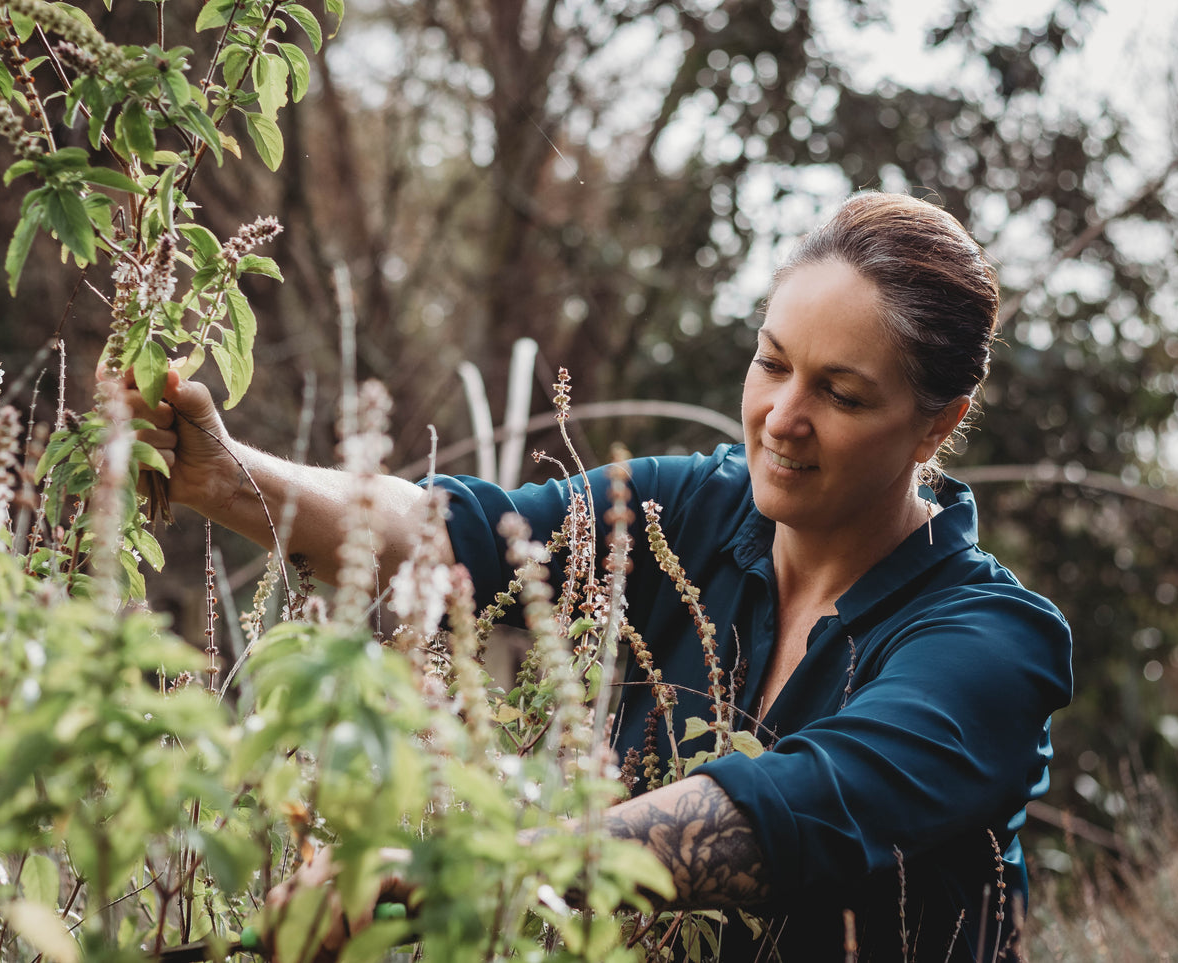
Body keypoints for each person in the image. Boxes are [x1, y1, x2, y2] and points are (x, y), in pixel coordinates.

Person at [127, 191, 1073, 961]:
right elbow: (454, 535)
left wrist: (451, 872)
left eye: (839, 392)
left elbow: (794, 808)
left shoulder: (991, 646)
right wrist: (227, 476)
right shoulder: (692, 511)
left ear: (934, 426)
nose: (781, 416)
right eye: (771, 364)